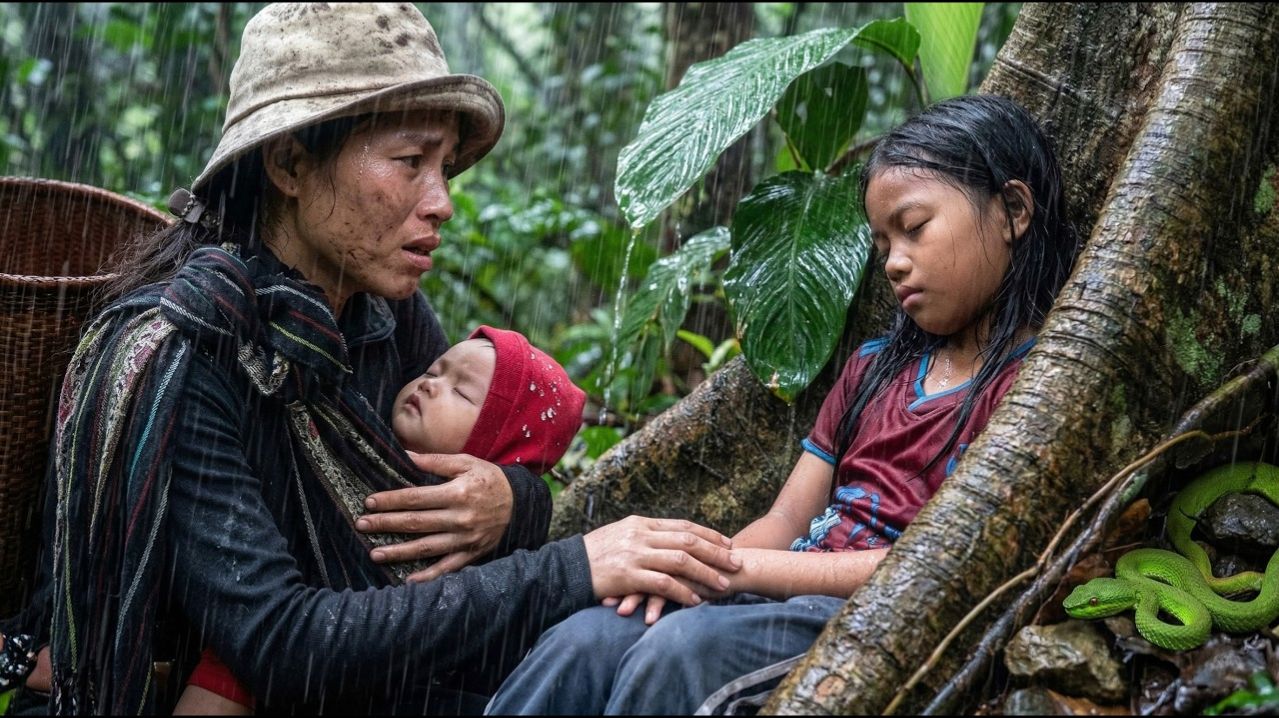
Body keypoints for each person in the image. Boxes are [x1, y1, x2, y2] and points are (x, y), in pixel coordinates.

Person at [0, 4, 740, 715]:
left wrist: (517, 503)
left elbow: (458, 465)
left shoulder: (380, 309)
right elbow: (280, 645)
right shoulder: (188, 352)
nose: (442, 201)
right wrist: (570, 567)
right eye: (409, 161)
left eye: (445, 166)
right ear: (290, 163)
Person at [486, 93, 1080, 716]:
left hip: (881, 622)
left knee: (679, 656)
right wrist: (707, 575)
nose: (895, 264)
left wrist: (745, 573)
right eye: (882, 246)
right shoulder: (874, 369)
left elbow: (941, 566)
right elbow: (787, 519)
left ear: (1013, 210)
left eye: (915, 228)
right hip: (782, 593)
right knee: (586, 638)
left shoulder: (1031, 390)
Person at [178, 325, 590, 715]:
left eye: (462, 393)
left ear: (498, 448)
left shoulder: (499, 556)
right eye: (433, 370)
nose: (430, 383)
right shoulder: (348, 448)